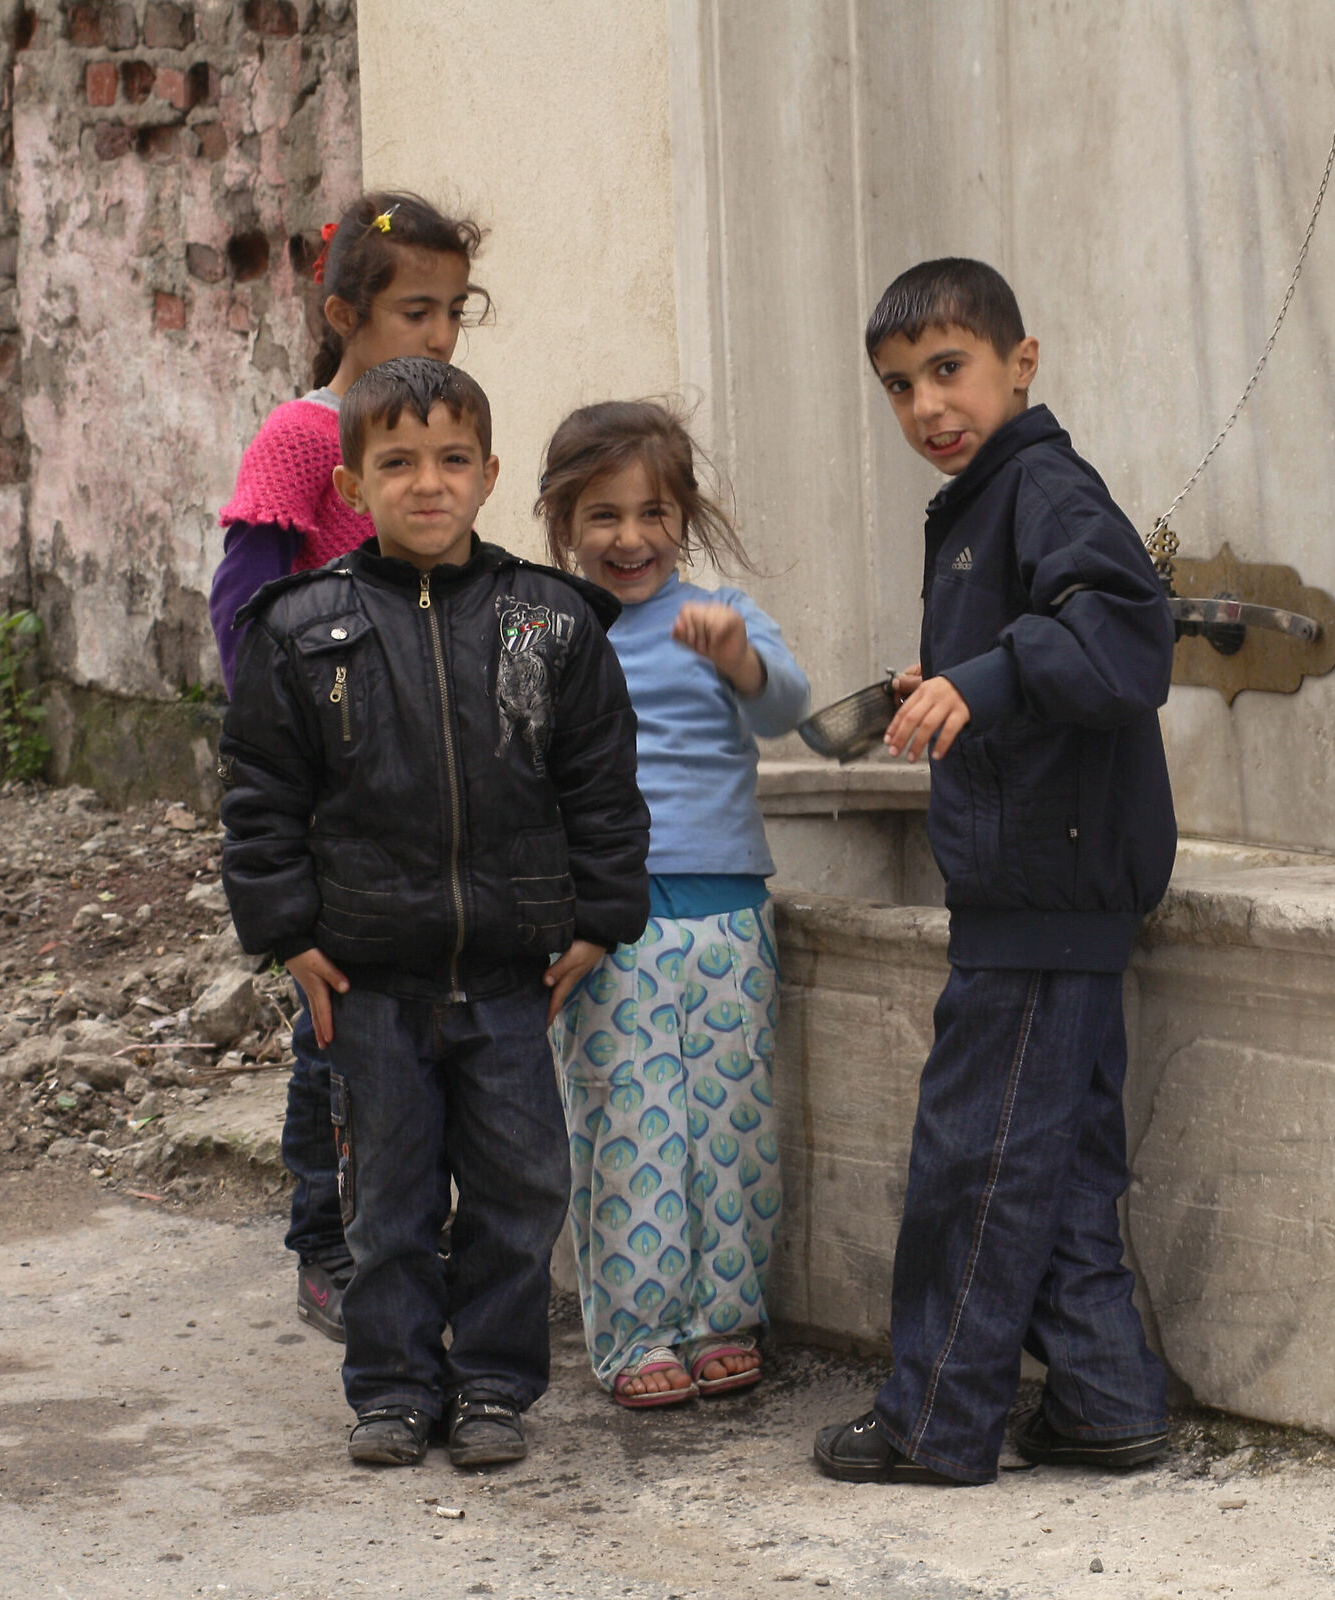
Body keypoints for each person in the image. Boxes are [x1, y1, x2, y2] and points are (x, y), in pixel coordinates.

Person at [220, 358, 650, 1469]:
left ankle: (496, 1382)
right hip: (368, 977)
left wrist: (599, 916)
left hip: (511, 974)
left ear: (490, 473)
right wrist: (288, 933)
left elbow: (602, 785)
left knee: (521, 1188)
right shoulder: (302, 627)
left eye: (452, 459)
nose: (428, 484)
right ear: (355, 485)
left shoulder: (547, 624)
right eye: (398, 462)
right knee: (388, 1200)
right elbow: (263, 794)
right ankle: (396, 1387)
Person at [812, 259, 1179, 1485]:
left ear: (1024, 361)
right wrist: (953, 688)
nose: (926, 405)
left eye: (949, 369)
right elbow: (1044, 665)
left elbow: (1125, 633)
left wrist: (991, 677)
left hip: (1039, 902)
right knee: (1062, 1158)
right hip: (1053, 896)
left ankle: (938, 1422)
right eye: (899, 386)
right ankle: (1104, 1397)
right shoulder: (990, 500)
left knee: (972, 1166)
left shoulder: (1045, 488)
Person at [208, 192, 487, 1343]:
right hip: (330, 780)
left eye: (454, 310)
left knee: (413, 1019)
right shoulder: (304, 437)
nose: (438, 334)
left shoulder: (420, 433)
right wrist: (291, 741)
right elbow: (243, 604)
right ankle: (328, 1243)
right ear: (342, 312)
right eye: (414, 309)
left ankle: (409, 1235)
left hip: (420, 784)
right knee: (331, 1018)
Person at [537, 400, 811, 1409]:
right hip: (614, 925)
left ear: (683, 516)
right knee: (632, 1128)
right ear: (564, 520)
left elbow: (789, 706)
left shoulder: (722, 612)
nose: (630, 537)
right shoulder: (548, 626)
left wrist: (737, 659)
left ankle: (721, 1315)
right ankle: (640, 1329)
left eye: (653, 512)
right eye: (602, 514)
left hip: (730, 917)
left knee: (729, 1129)